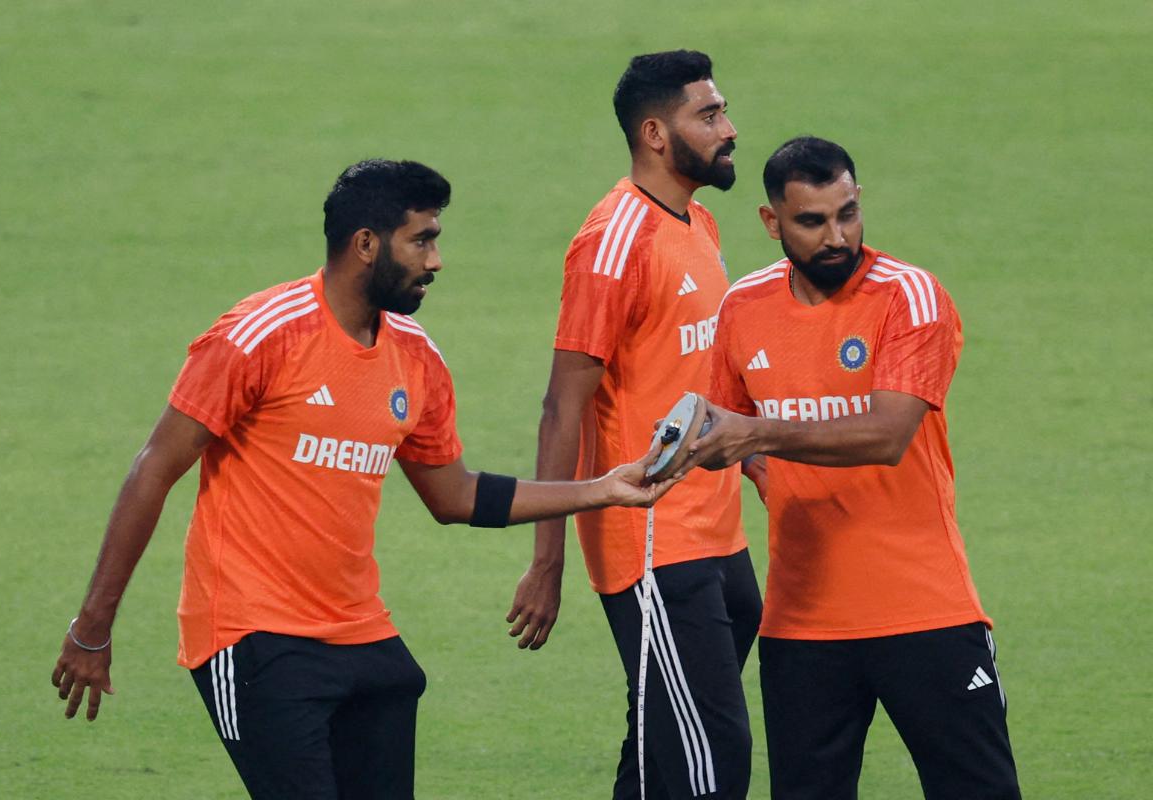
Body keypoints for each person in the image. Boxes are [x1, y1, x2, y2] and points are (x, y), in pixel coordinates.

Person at [50, 159, 679, 800]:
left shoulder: (415, 355)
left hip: (362, 635)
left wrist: (601, 488)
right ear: (366, 245)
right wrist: (92, 628)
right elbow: (153, 470)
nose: (436, 260)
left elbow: (454, 495)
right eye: (422, 239)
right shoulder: (261, 335)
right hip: (252, 635)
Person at [684, 136, 1022, 799]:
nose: (836, 236)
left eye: (847, 213)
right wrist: (753, 457)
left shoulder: (910, 297)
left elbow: (887, 434)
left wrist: (761, 433)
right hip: (801, 623)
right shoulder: (744, 307)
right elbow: (723, 424)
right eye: (812, 221)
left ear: (859, 200)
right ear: (771, 221)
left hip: (926, 612)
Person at [506, 51, 761, 800]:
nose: (729, 129)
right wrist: (547, 562)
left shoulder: (700, 224)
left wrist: (759, 462)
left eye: (722, 111)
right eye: (708, 116)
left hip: (719, 533)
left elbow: (703, 375)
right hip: (651, 542)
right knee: (714, 760)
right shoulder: (613, 243)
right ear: (655, 132)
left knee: (664, 748)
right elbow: (562, 406)